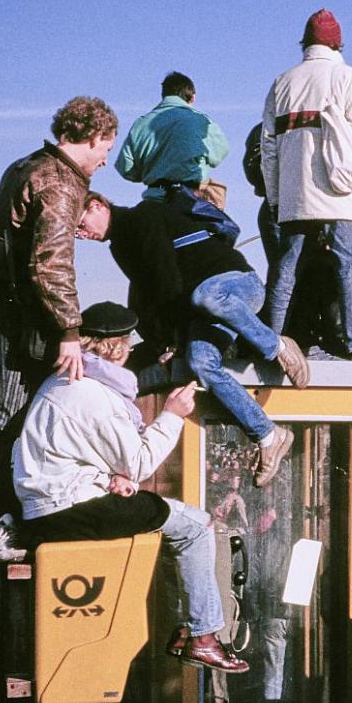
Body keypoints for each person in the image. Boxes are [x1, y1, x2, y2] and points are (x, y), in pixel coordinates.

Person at [12, 302, 246, 673]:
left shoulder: (60, 382)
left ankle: (193, 630)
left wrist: (107, 478)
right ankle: (202, 635)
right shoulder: (92, 394)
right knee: (197, 528)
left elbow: (60, 453)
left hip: (50, 505)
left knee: (178, 520)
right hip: (73, 510)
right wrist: (172, 414)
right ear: (118, 347)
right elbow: (138, 464)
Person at [76, 192, 308, 487]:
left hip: (238, 285)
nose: (82, 235)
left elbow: (166, 282)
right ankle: (268, 435)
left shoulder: (143, 216)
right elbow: (145, 297)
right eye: (77, 232)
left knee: (206, 294)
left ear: (98, 205)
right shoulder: (119, 246)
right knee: (201, 361)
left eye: (81, 225)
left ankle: (278, 346)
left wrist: (170, 337)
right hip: (208, 311)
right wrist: (165, 344)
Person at [0, 96, 118, 463]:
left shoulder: (26, 166)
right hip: (20, 312)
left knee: (10, 411)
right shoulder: (60, 183)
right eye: (106, 147)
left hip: (4, 301)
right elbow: (51, 262)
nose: (105, 159)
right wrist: (70, 331)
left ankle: (1, 507)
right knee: (12, 414)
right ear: (93, 135)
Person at [260, 8, 352, 361]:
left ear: (305, 43)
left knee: (285, 270)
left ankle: (269, 341)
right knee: (348, 268)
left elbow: (268, 148)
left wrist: (275, 197)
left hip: (295, 196)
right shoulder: (350, 79)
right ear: (338, 44)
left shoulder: (281, 83)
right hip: (341, 195)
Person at [114, 71, 230, 206]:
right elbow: (220, 152)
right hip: (192, 203)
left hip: (154, 203)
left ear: (163, 95)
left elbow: (126, 168)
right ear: (192, 98)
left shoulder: (141, 123)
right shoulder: (202, 121)